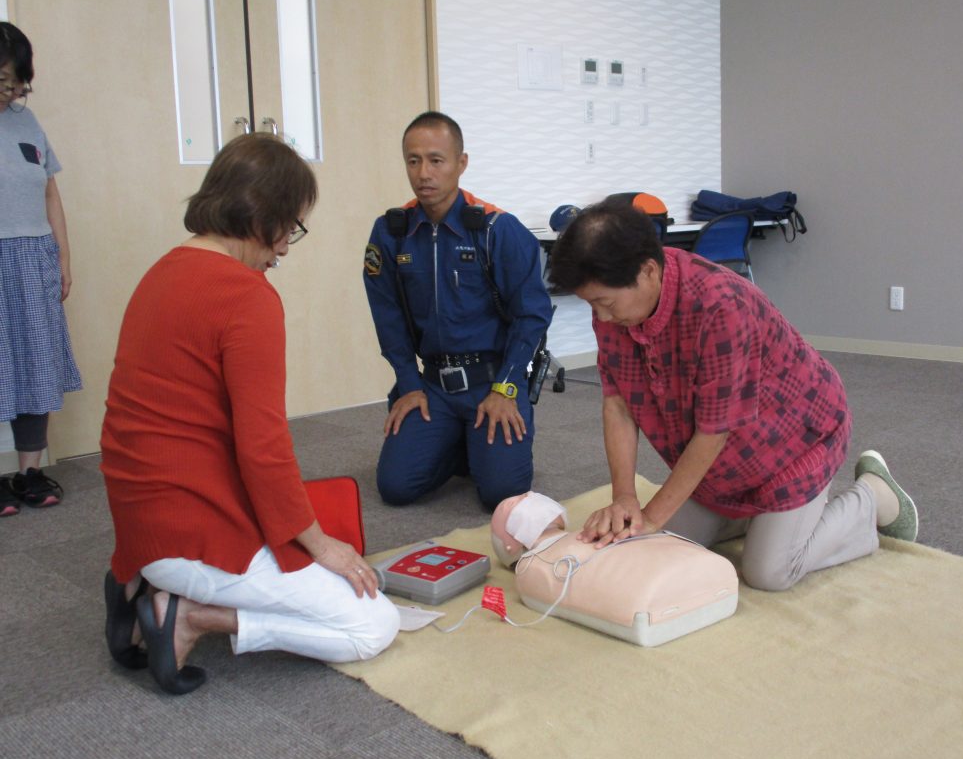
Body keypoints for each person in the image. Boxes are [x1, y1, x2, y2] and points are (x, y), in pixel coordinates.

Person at [100, 133, 399, 695]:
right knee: (372, 624)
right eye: (289, 226)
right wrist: (318, 545)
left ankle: (143, 581)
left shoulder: (162, 270)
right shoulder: (247, 296)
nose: (286, 247)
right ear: (261, 214)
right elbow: (262, 447)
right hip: (191, 533)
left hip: (139, 520)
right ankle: (191, 615)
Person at [546, 199, 918, 591]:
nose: (601, 318)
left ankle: (872, 498)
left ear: (648, 271)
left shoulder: (720, 305)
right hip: (725, 465)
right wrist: (624, 498)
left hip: (796, 443)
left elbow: (713, 431)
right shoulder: (616, 308)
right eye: (592, 305)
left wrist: (652, 516)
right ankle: (758, 518)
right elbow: (618, 405)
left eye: (605, 303)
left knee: (768, 572)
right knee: (657, 545)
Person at [363, 112, 552, 512]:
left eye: (436, 160)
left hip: (493, 380)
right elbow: (388, 316)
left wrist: (507, 386)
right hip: (432, 386)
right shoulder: (391, 232)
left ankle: (482, 447)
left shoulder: (496, 229)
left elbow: (532, 314)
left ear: (460, 163)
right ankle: (459, 441)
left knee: (501, 495)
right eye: (413, 161)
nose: (424, 173)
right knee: (396, 486)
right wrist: (408, 382)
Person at [0, 22, 80, 517]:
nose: (11, 91)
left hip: (33, 257)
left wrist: (62, 256)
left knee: (35, 363)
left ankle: (29, 471)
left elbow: (50, 191)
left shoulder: (27, 124)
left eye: (16, 82)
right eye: (3, 80)